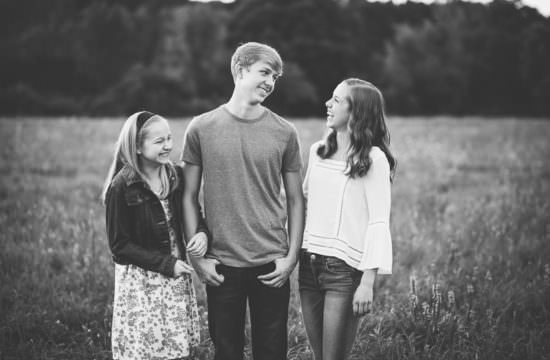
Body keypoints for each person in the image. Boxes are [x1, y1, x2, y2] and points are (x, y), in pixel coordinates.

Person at [180, 42, 305, 360]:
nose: (270, 81)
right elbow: (188, 195)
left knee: (272, 352)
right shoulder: (201, 128)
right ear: (239, 70)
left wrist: (291, 258)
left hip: (271, 263)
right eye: (264, 72)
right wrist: (198, 258)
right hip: (221, 264)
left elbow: (295, 199)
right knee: (227, 351)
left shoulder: (284, 132)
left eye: (275, 76)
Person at [299, 78, 396, 360]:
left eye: (337, 100)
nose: (328, 104)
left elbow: (379, 221)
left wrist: (367, 282)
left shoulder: (373, 159)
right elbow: (304, 200)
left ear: (357, 113)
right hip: (309, 263)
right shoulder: (318, 151)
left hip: (344, 270)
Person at [102, 111, 208, 360]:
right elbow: (119, 246)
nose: (168, 146)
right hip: (142, 280)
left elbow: (193, 213)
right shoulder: (121, 186)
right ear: (138, 146)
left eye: (169, 138)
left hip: (175, 274)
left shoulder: (175, 176)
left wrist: (201, 233)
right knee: (145, 349)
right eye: (159, 141)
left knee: (173, 348)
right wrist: (166, 264)